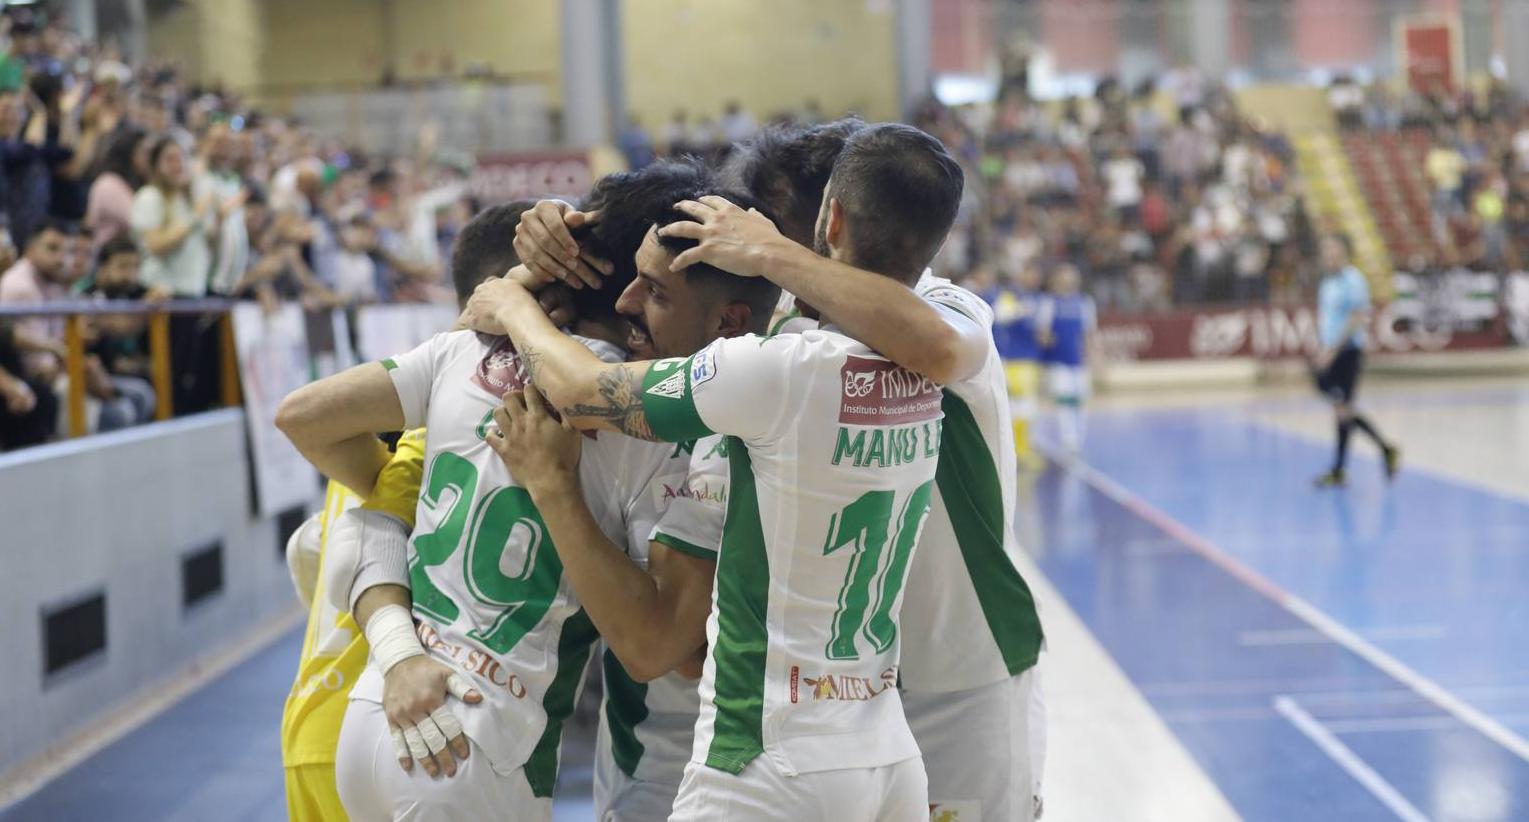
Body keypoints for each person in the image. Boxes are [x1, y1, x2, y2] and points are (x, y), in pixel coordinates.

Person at [465, 122, 967, 821]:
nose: (626, 305)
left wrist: (514, 304)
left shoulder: (768, 372)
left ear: (831, 221)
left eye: (656, 292)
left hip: (763, 758)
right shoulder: (930, 357)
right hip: (880, 746)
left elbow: (584, 393)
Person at [276, 167, 724, 820]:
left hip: (366, 712)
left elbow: (304, 426)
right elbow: (667, 652)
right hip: (475, 739)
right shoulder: (650, 425)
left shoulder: (456, 357)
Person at [659, 120, 1047, 821]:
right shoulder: (786, 350)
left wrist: (775, 256)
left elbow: (929, 343)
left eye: (771, 236)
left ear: (832, 223)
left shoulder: (946, 308)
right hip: (853, 705)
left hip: (964, 674)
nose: (756, 261)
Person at [276, 200, 544, 822]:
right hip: (394, 718)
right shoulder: (446, 423)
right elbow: (358, 542)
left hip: (317, 717)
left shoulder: (378, 418)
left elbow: (308, 549)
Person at [1312, 234, 1400, 487]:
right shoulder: (1327, 283)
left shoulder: (1353, 280)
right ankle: (1381, 450)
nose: (1328, 255)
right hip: (1331, 350)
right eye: (1325, 250)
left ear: (1343, 252)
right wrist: (1323, 346)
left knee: (1342, 410)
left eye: (1332, 250)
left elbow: (1355, 318)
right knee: (1341, 410)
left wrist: (1332, 350)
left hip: (1347, 353)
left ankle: (1345, 466)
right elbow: (1327, 320)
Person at [989, 264, 1047, 469]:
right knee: (1015, 408)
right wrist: (1021, 310)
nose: (1034, 278)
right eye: (1029, 273)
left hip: (1030, 360)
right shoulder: (1010, 296)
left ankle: (1023, 449)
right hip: (1014, 361)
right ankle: (1015, 452)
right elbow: (1001, 315)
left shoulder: (1038, 298)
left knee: (1028, 408)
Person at [1038, 263, 1096, 455]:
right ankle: (1068, 440)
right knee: (1064, 401)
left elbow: (1088, 334)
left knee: (1080, 400)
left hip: (1078, 361)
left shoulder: (1084, 302)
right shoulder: (1050, 302)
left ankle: (1080, 438)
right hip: (1058, 362)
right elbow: (1043, 332)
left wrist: (1094, 358)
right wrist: (1047, 341)